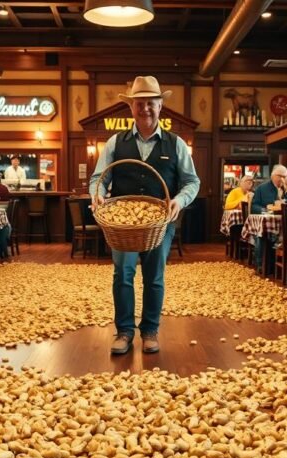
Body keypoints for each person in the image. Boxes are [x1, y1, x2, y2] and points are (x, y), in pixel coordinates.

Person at [89, 75, 200, 355]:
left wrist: (179, 200)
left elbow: (192, 181)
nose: (145, 109)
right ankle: (124, 332)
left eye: (151, 103)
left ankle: (150, 330)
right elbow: (98, 178)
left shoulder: (176, 144)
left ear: (160, 106)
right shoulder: (116, 142)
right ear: (131, 108)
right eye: (140, 104)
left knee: (154, 277)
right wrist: (98, 193)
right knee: (123, 275)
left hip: (160, 223)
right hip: (122, 223)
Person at [249, 165, 287, 272]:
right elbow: (254, 206)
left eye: (284, 176)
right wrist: (266, 210)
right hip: (266, 222)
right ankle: (261, 264)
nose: (282, 179)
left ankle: (283, 268)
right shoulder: (262, 188)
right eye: (280, 176)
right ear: (273, 176)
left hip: (283, 224)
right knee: (261, 235)